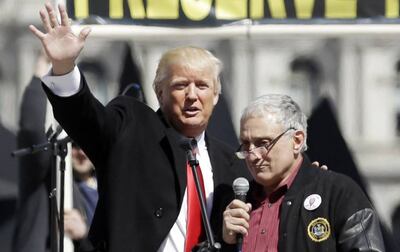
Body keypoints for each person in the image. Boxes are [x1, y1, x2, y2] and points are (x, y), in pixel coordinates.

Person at [30, 3, 250, 252]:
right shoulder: (131, 127)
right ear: (159, 92)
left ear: (216, 94)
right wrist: (64, 67)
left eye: (202, 85)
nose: (191, 95)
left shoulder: (231, 163)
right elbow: (87, 119)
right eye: (180, 85)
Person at [222, 94, 385, 251]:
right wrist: (225, 243)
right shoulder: (235, 205)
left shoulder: (338, 193)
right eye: (245, 145)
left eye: (263, 143)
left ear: (297, 141)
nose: (252, 155)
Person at [13, 51, 97, 252]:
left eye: (87, 144)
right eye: (74, 144)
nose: (81, 152)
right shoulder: (46, 178)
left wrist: (85, 233)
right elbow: (32, 129)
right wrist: (43, 65)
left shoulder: (110, 188)